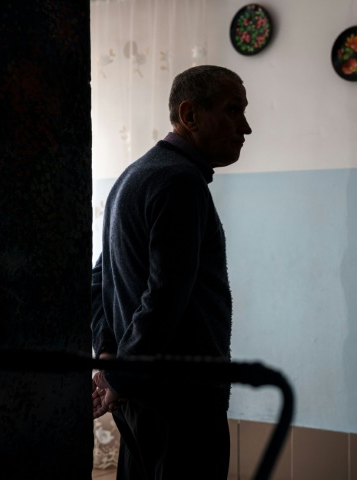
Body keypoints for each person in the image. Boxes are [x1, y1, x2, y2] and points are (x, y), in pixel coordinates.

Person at [91, 65, 252, 479]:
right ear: (190, 115)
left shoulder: (134, 175)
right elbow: (164, 299)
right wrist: (119, 373)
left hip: (141, 401)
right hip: (182, 404)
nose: (245, 127)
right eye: (233, 110)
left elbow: (99, 281)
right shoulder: (180, 182)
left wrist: (110, 356)